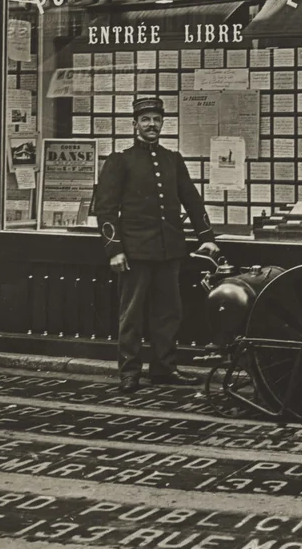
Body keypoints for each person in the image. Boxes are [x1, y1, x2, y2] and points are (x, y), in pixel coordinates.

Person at [94, 96, 220, 393]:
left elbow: (191, 199)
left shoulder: (171, 159)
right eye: (146, 120)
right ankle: (130, 372)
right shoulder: (120, 160)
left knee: (168, 312)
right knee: (132, 314)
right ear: (134, 124)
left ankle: (164, 368)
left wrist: (207, 237)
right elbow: (106, 210)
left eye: (157, 119)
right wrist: (114, 249)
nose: (152, 125)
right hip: (135, 251)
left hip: (169, 250)